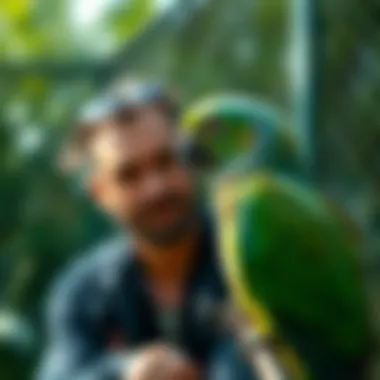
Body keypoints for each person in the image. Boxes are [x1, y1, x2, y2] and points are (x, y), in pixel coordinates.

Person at [36, 81, 254, 380]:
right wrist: (124, 371)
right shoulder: (82, 292)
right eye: (129, 175)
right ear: (101, 193)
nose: (156, 188)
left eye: (166, 161)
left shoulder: (253, 253)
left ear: (194, 158)